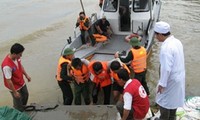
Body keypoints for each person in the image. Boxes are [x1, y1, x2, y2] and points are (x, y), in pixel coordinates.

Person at [154, 21, 185, 120]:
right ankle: (172, 117)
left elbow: (166, 68)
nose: (155, 37)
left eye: (156, 34)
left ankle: (164, 118)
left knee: (164, 101)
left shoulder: (166, 48)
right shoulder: (177, 41)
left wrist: (162, 84)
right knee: (174, 101)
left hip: (170, 80)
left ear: (160, 34)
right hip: (179, 77)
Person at [1, 43, 31, 112]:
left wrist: (26, 75)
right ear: (14, 54)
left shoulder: (17, 58)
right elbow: (8, 80)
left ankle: (22, 108)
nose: (21, 56)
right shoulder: (6, 66)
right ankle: (18, 111)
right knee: (18, 102)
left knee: (26, 95)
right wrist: (15, 92)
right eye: (20, 54)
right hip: (14, 87)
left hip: (21, 82)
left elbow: (20, 66)